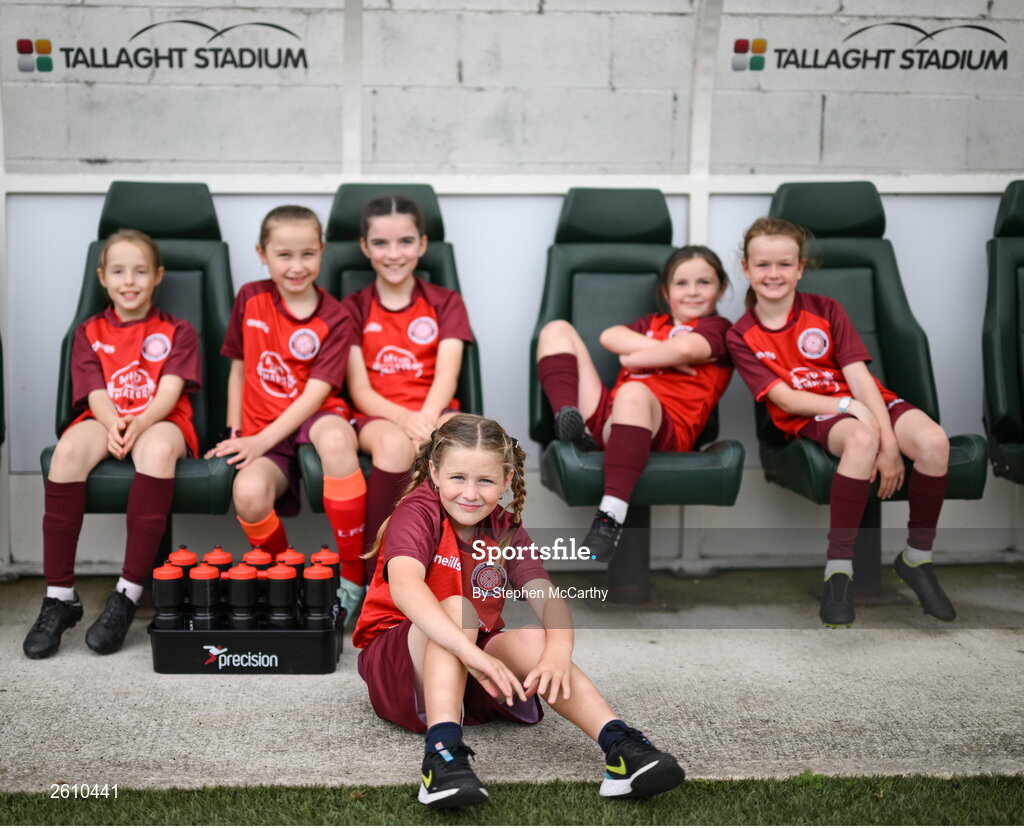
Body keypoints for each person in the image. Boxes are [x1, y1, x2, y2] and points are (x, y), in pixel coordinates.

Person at [352, 413, 686, 808]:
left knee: (533, 638)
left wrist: (557, 652)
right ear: (434, 472)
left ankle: (620, 745)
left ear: (507, 480)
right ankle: (440, 758)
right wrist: (469, 652)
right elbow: (406, 588)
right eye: (458, 477)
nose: (471, 493)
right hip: (400, 662)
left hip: (470, 663)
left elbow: (549, 600)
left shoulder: (505, 527)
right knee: (459, 610)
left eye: (486, 481)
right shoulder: (418, 510)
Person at [726, 217, 955, 627]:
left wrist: (889, 445)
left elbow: (859, 377)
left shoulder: (826, 309)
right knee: (862, 441)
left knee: (935, 443)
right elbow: (785, 397)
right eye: (763, 265)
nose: (773, 274)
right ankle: (839, 569)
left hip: (864, 399)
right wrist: (851, 409)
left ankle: (917, 558)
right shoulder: (741, 334)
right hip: (813, 414)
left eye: (784, 264)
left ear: (800, 267)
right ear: (745, 268)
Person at [23, 229, 201, 658]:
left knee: (157, 451)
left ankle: (127, 593)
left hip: (160, 419)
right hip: (106, 417)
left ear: (158, 276)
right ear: (102, 277)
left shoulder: (178, 331)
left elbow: (171, 391)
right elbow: (94, 391)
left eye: (140, 271)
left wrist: (138, 423)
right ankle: (60, 597)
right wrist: (115, 423)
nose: (129, 281)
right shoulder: (90, 331)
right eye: (118, 271)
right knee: (65, 453)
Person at [205, 205, 366, 620]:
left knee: (334, 439)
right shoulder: (250, 298)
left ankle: (353, 577)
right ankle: (288, 574)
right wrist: (236, 430)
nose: (297, 267)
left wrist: (261, 439)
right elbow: (237, 369)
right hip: (260, 430)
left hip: (314, 416)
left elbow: (316, 395)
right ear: (262, 253)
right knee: (248, 493)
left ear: (322, 251)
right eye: (284, 255)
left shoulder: (337, 316)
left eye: (308, 254)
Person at [535, 246, 733, 561]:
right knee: (555, 330)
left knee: (634, 392)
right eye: (681, 283)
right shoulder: (654, 322)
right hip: (613, 419)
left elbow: (685, 351)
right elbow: (610, 337)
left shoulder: (719, 329)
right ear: (666, 292)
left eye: (704, 283)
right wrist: (657, 351)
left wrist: (636, 355)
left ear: (721, 288)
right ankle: (570, 419)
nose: (692, 292)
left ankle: (609, 518)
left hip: (666, 432)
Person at [342, 194, 474, 585]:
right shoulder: (352, 308)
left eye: (405, 242)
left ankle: (461, 573)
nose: (394, 253)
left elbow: (447, 376)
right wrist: (408, 421)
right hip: (377, 417)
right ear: (365, 247)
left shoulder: (446, 302)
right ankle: (375, 577)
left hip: (435, 411)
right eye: (381, 243)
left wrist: (428, 420)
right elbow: (359, 389)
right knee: (395, 445)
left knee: (468, 441)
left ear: (422, 245)